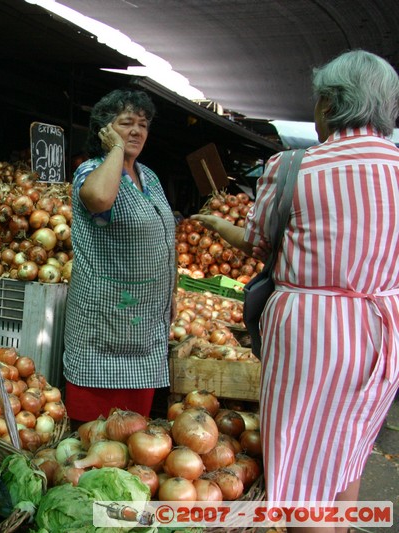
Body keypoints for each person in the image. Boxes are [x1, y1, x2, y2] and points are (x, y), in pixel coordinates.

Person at [192, 49, 399, 525]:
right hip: (383, 330)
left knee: (302, 461)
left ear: (327, 105)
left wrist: (218, 226)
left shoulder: (293, 167)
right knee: (351, 447)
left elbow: (260, 242)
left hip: (313, 332)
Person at [63, 88, 177, 427]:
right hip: (104, 321)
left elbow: (165, 235)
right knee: (94, 432)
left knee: (135, 435)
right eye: (126, 123)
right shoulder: (92, 171)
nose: (137, 131)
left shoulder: (150, 177)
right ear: (105, 129)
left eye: (143, 125)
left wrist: (172, 291)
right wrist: (114, 149)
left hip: (144, 324)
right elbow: (99, 198)